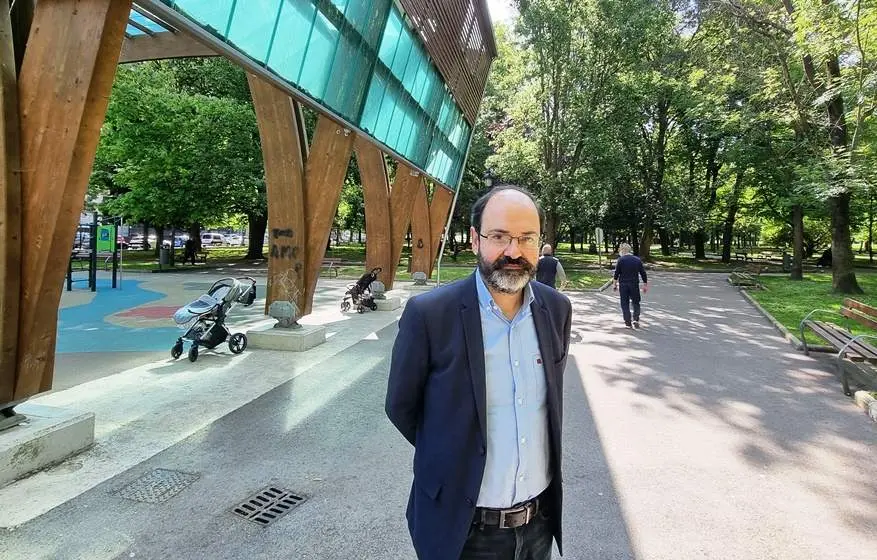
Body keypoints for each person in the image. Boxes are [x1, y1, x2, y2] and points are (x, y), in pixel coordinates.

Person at [386, 185, 572, 560]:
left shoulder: (557, 309)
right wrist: (454, 453)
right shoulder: (429, 315)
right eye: (499, 236)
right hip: (463, 529)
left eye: (526, 238)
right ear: (475, 239)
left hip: (538, 526)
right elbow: (401, 407)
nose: (513, 252)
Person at [613, 243, 648, 328]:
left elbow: (616, 274)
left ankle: (627, 321)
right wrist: (645, 284)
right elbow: (643, 273)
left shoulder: (621, 260)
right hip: (634, 284)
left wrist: (615, 285)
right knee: (636, 302)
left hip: (623, 285)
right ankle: (636, 319)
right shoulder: (637, 260)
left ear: (622, 250)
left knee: (624, 303)